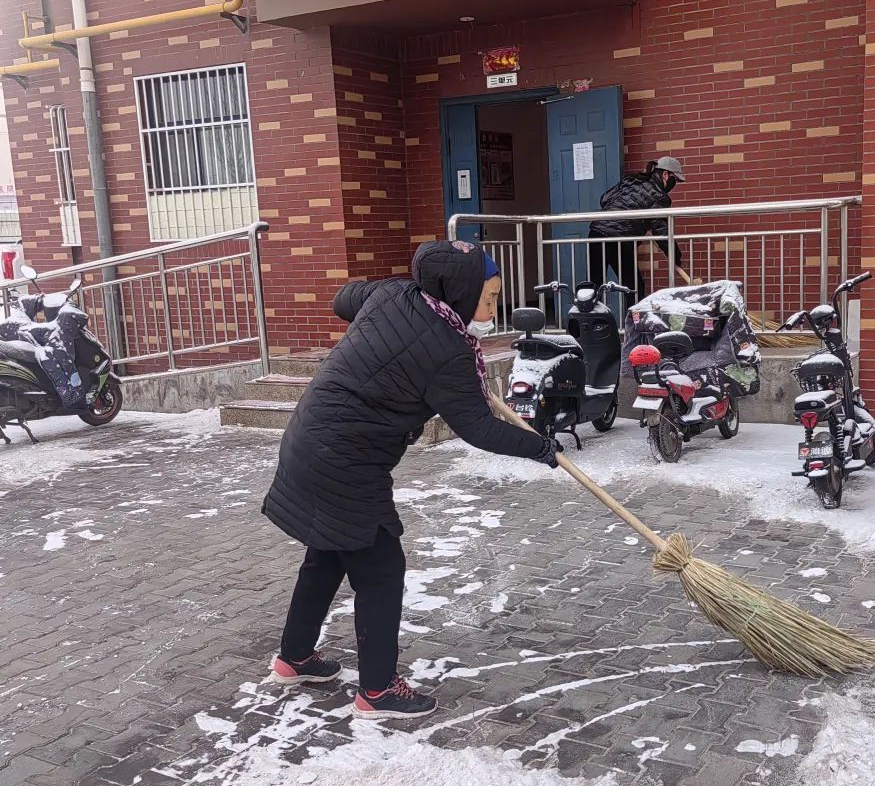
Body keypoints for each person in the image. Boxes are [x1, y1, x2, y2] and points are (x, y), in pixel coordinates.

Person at [263, 240, 559, 719]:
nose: (492, 310)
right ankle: (377, 691)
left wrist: (385, 320)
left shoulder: (394, 294)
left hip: (310, 439)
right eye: (488, 298)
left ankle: (294, 658)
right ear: (461, 293)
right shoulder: (449, 352)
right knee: (381, 571)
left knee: (327, 555)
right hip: (345, 463)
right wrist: (540, 447)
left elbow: (343, 299)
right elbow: (479, 429)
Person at [588, 156, 687, 301]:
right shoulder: (660, 197)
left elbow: (604, 199)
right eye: (675, 180)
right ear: (666, 175)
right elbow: (662, 233)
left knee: (594, 284)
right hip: (620, 240)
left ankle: (588, 314)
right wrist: (675, 257)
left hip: (596, 232)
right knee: (634, 287)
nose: (674, 184)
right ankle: (633, 316)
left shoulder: (631, 180)